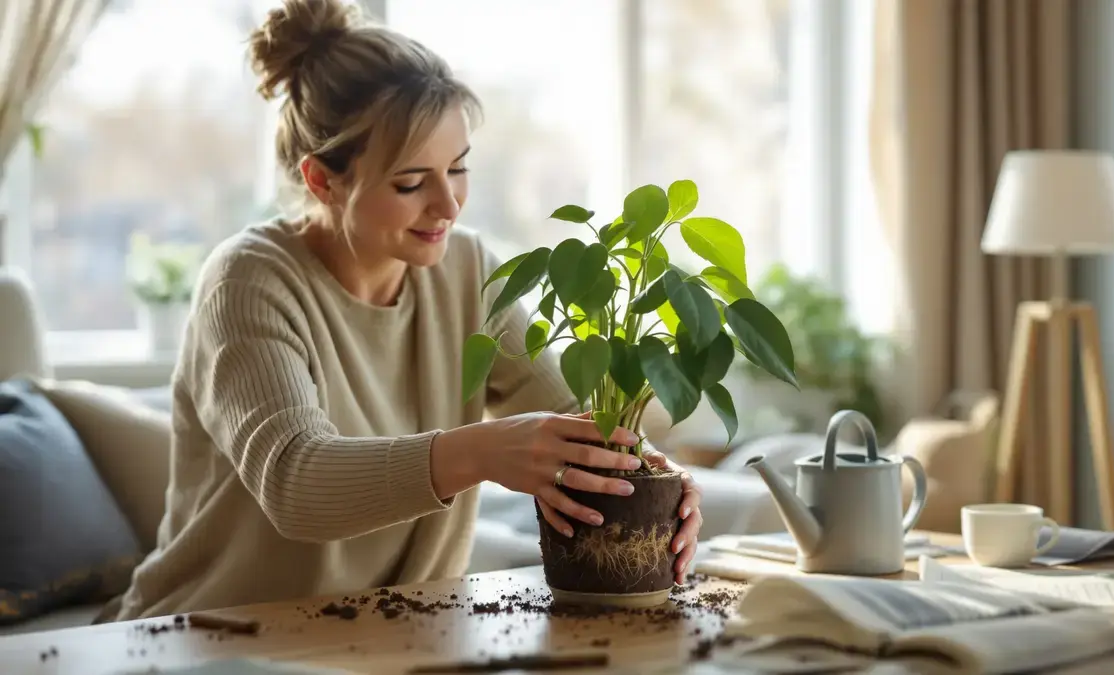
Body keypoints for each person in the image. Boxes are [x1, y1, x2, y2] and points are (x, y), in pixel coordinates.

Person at [110, 0, 702, 620]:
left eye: (459, 168)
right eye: (411, 183)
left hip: (392, 635)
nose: (448, 205)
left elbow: (569, 421)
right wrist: (481, 451)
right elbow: (294, 484)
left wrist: (660, 485)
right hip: (206, 638)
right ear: (322, 181)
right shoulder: (248, 283)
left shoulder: (466, 269)